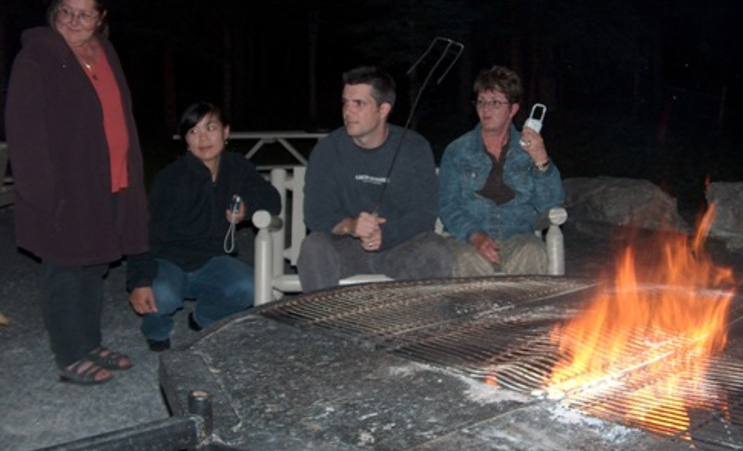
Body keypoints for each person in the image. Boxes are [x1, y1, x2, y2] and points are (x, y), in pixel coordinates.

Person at [5, 0, 148, 385]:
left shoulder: (105, 51)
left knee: (93, 265)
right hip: (67, 190)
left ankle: (89, 342)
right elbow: (24, 132)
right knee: (66, 269)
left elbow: (121, 113)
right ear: (55, 11)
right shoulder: (37, 57)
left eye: (84, 14)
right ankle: (69, 354)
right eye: (66, 11)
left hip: (109, 179)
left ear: (100, 18)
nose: (72, 21)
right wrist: (46, 196)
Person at [127, 102, 281, 351]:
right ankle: (156, 330)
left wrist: (246, 209)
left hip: (212, 260)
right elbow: (144, 232)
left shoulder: (237, 167)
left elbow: (271, 199)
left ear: (226, 132)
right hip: (168, 260)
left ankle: (204, 318)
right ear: (185, 139)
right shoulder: (170, 178)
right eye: (193, 131)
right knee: (162, 295)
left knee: (251, 287)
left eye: (211, 128)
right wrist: (139, 280)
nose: (203, 138)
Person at [297, 66, 452, 292]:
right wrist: (350, 226)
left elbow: (424, 215)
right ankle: (325, 325)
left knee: (435, 250)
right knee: (314, 246)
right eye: (345, 102)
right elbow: (316, 215)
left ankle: (417, 326)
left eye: (358, 103)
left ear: (383, 109)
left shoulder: (414, 148)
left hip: (399, 247)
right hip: (346, 248)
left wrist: (385, 235)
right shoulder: (328, 150)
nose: (348, 112)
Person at [439, 65, 565, 276]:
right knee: (467, 261)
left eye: (495, 102)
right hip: (469, 240)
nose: (486, 110)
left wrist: (541, 159)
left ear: (513, 109)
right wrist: (475, 236)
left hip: (517, 238)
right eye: (481, 102)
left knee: (532, 252)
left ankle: (522, 311)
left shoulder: (529, 149)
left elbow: (551, 204)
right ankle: (482, 310)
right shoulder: (457, 151)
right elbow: (447, 205)